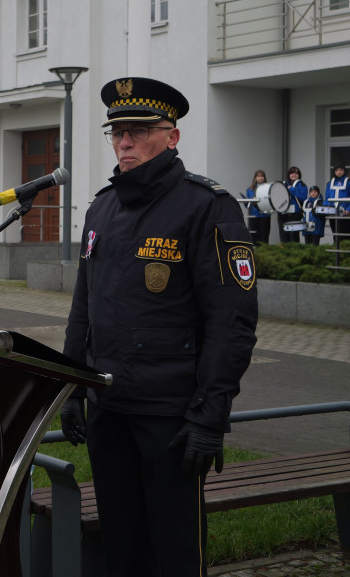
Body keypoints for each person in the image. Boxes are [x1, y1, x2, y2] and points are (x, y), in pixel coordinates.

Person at [60, 77, 258, 577]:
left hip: (172, 419)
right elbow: (84, 307)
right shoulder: (101, 208)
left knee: (173, 554)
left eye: (138, 131)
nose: (124, 142)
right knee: (121, 548)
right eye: (117, 132)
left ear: (172, 137)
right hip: (111, 412)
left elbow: (231, 322)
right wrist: (72, 388)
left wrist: (211, 415)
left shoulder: (208, 207)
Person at [279, 166, 307, 243]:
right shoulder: (284, 184)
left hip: (295, 213)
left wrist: (291, 189)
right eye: (292, 173)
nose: (294, 175)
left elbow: (303, 198)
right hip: (283, 212)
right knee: (284, 236)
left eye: (296, 173)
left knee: (293, 236)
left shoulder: (301, 185)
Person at [325, 163, 350, 248]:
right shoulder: (330, 183)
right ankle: (337, 257)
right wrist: (326, 208)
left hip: (345, 214)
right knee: (335, 236)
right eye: (337, 170)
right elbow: (327, 198)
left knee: (345, 236)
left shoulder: (349, 182)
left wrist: (348, 210)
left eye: (341, 170)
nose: (339, 172)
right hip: (333, 213)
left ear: (344, 171)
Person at [244, 170, 271, 246]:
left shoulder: (268, 188)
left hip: (264, 216)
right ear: (255, 178)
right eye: (259, 176)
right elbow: (248, 205)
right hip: (254, 216)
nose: (261, 178)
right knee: (254, 238)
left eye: (262, 176)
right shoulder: (250, 190)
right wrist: (246, 203)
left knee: (264, 237)